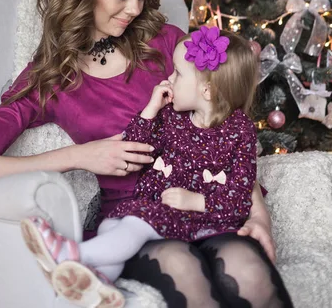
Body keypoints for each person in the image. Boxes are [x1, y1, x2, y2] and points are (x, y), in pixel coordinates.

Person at [0, 0, 290, 308]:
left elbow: (224, 126)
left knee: (248, 269)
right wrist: (80, 157)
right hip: (136, 223)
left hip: (203, 206)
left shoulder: (167, 45)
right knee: (183, 269)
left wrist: (259, 216)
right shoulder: (51, 77)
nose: (135, 9)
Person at [22, 27, 293, 308]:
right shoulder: (172, 117)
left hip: (205, 223)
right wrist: (150, 109)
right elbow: (136, 148)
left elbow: (239, 195)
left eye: (177, 73)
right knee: (128, 227)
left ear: (207, 89)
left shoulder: (240, 131)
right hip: (158, 212)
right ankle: (94, 282)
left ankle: (73, 254)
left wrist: (196, 200)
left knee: (134, 227)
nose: (169, 79)